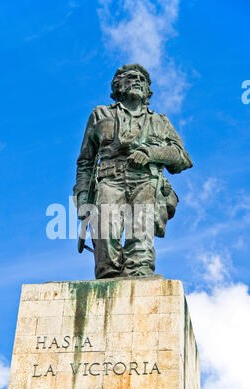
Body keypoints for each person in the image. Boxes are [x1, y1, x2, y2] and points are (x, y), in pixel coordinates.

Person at [73, 64, 192, 279]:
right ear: (118, 85)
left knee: (140, 243)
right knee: (105, 237)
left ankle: (139, 275)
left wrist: (151, 153)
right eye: (131, 77)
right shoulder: (100, 115)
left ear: (147, 91)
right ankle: (108, 280)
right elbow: (85, 162)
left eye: (142, 79)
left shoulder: (160, 121)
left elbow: (182, 158)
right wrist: (82, 198)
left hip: (146, 181)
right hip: (110, 180)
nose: (137, 80)